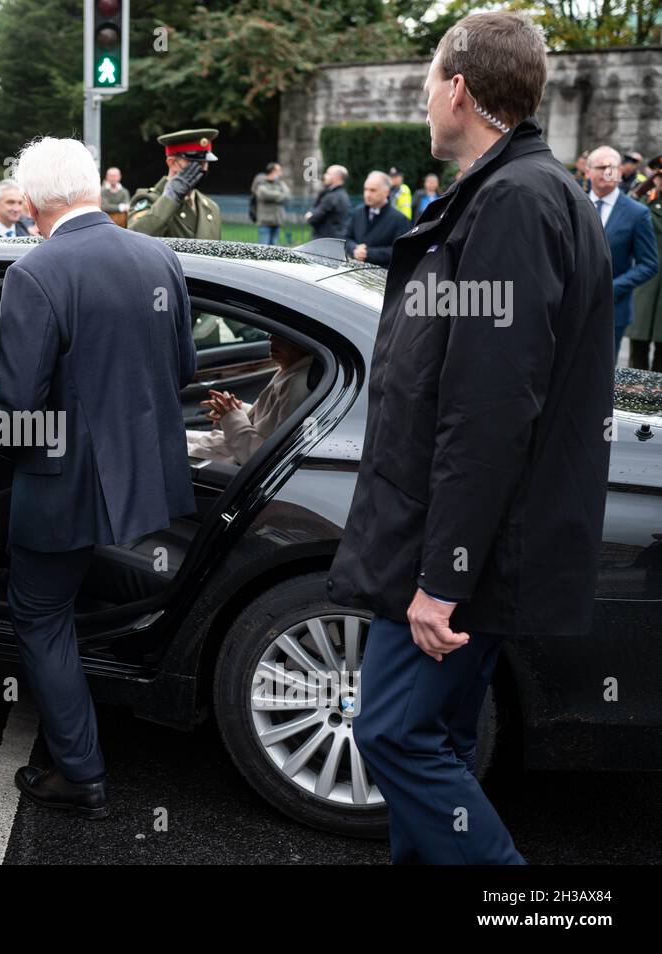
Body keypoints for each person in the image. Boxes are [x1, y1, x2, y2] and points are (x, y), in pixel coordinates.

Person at [329, 11, 615, 865]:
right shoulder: (524, 191)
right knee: (436, 744)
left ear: (458, 89)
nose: (424, 103)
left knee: (394, 737)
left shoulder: (514, 203)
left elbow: (488, 410)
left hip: (460, 557)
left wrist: (441, 579)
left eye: (427, 86)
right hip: (475, 544)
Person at [0, 137, 194, 818]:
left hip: (62, 493)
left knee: (42, 617)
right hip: (144, 487)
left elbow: (17, 409)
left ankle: (80, 773)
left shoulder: (37, 273)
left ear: (36, 202)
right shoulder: (158, 254)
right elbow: (183, 369)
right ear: (90, 188)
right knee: (85, 604)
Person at [189, 337, 313, 464]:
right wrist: (232, 410)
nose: (271, 338)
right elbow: (268, 421)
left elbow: (265, 459)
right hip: (234, 450)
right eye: (271, 332)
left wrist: (232, 417)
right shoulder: (291, 371)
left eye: (284, 338)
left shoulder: (298, 384)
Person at [586, 145, 658, 359]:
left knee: (601, 374)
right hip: (571, 307)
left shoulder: (637, 212)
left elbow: (649, 264)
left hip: (612, 310)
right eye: (602, 167)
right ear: (588, 171)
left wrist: (612, 288)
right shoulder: (572, 203)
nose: (608, 171)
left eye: (613, 167)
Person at [128, 128, 222, 239]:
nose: (202, 168)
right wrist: (171, 197)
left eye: (205, 163)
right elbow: (135, 236)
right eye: (195, 163)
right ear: (172, 163)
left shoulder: (211, 207)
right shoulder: (150, 199)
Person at [626, 159, 662, 371]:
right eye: (659, 177)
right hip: (646, 285)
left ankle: (657, 400)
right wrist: (639, 192)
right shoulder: (645, 204)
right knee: (637, 346)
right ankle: (635, 399)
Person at [344, 171, 410, 264]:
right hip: (355, 275)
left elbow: (401, 251)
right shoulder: (357, 212)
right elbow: (346, 237)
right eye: (365, 189)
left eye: (373, 190)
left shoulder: (399, 219)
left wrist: (368, 253)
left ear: (386, 192)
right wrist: (354, 249)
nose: (367, 194)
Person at [304, 165, 350, 239]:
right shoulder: (342, 195)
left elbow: (313, 219)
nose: (324, 176)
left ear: (337, 177)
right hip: (335, 239)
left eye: (328, 173)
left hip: (324, 241)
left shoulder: (331, 197)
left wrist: (309, 215)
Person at [251, 162, 289, 245]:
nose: (281, 172)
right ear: (273, 171)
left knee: (274, 246)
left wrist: (275, 196)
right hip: (265, 221)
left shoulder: (280, 183)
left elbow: (287, 195)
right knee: (264, 247)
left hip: (277, 220)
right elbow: (264, 194)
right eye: (279, 170)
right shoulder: (261, 182)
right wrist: (279, 195)